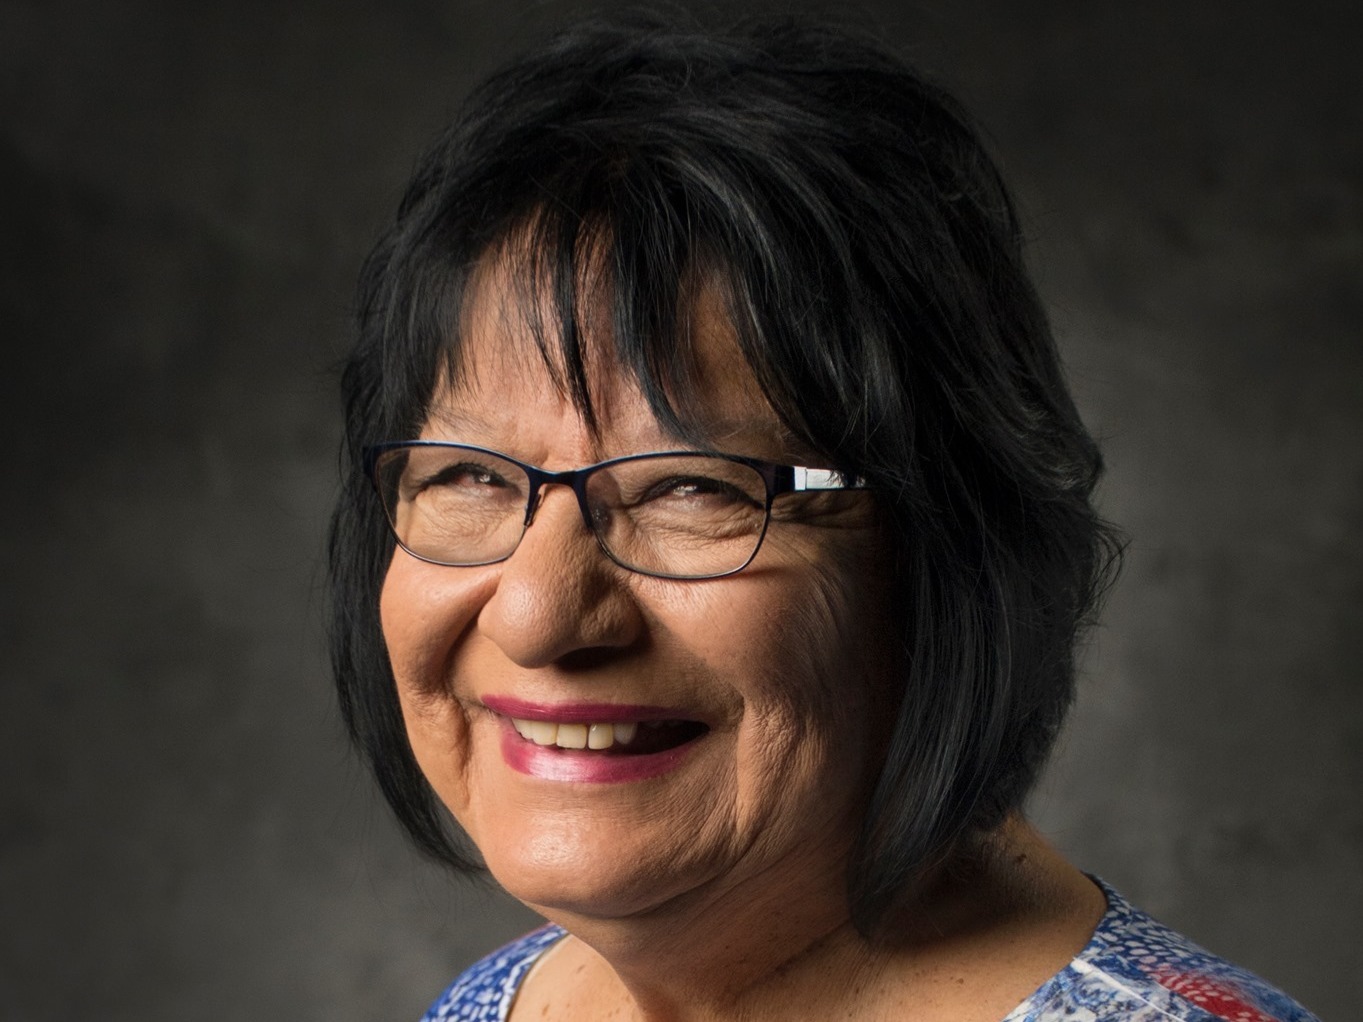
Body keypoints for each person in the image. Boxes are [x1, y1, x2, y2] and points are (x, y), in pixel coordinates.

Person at [328, 15, 1320, 1022]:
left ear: (943, 550)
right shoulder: (497, 1000)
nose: (536, 614)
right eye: (468, 475)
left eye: (693, 486)